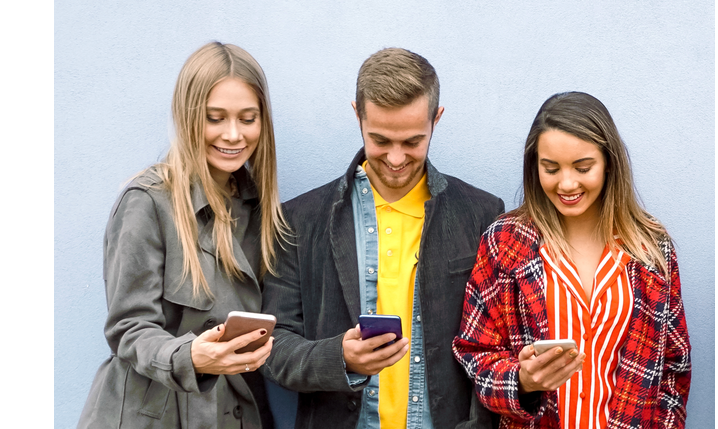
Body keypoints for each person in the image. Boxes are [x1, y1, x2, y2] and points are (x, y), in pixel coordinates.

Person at [261, 47, 505, 429]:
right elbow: (274, 345)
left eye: (412, 141)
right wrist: (339, 358)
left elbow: (496, 346)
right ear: (357, 115)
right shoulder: (299, 219)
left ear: (436, 120)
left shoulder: (482, 214)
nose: (395, 158)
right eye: (380, 140)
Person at [78, 42, 288, 429]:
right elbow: (128, 328)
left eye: (247, 118)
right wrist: (191, 356)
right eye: (215, 117)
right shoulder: (147, 202)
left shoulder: (259, 210)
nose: (233, 134)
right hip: (150, 415)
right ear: (188, 116)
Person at [452, 92, 692, 428]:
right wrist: (522, 382)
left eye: (583, 167)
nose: (567, 183)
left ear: (609, 162)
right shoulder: (506, 242)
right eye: (551, 168)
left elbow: (673, 367)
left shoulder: (652, 249)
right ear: (534, 166)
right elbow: (475, 352)